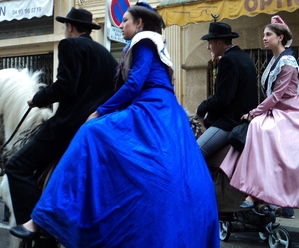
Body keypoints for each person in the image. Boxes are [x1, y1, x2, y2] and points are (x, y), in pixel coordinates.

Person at [9, 3, 219, 247]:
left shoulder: (143, 41)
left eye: (126, 20)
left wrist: (100, 111)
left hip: (149, 106)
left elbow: (133, 85)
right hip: (164, 110)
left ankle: (43, 219)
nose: (121, 24)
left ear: (139, 24)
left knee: (89, 132)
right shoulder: (139, 45)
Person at [5, 7, 117, 226]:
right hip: (98, 126)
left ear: (69, 27)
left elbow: (66, 86)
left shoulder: (70, 45)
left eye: (66, 27)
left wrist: (37, 99)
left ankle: (33, 225)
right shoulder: (105, 54)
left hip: (68, 126)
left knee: (17, 166)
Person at [219, 15, 299, 210]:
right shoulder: (276, 60)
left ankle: (261, 191)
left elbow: (276, 96)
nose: (264, 38)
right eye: (264, 35)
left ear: (280, 37)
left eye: (268, 34)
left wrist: (254, 112)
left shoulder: (288, 63)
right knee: (257, 127)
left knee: (259, 127)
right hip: (279, 109)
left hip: (291, 109)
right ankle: (257, 186)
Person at [196, 21, 258, 158]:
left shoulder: (228, 60)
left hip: (231, 122)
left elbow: (223, 99)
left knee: (195, 152)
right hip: (243, 117)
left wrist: (202, 107)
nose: (208, 47)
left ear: (219, 43)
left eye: (210, 42)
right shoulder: (244, 57)